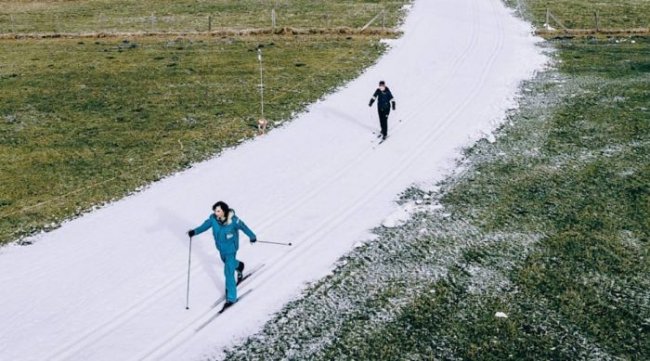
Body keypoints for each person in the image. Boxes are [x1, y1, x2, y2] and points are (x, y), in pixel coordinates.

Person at [188, 201, 257, 310]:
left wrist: (252, 236)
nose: (216, 213)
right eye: (215, 211)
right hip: (221, 249)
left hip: (231, 249)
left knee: (228, 272)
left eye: (218, 211)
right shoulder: (213, 219)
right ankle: (239, 266)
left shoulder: (233, 220)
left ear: (224, 211)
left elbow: (244, 227)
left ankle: (231, 298)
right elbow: (204, 226)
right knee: (228, 264)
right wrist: (194, 232)